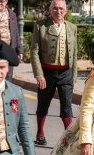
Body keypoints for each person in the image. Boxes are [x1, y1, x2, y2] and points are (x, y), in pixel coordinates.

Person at [30, 0, 77, 146]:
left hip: (65, 72)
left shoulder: (72, 27)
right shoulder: (40, 26)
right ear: (50, 10)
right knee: (43, 103)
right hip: (46, 72)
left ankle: (68, 138)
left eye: (61, 9)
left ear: (66, 11)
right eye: (55, 8)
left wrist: (73, 75)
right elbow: (34, 51)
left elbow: (74, 53)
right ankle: (40, 133)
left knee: (66, 106)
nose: (58, 11)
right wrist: (38, 74)